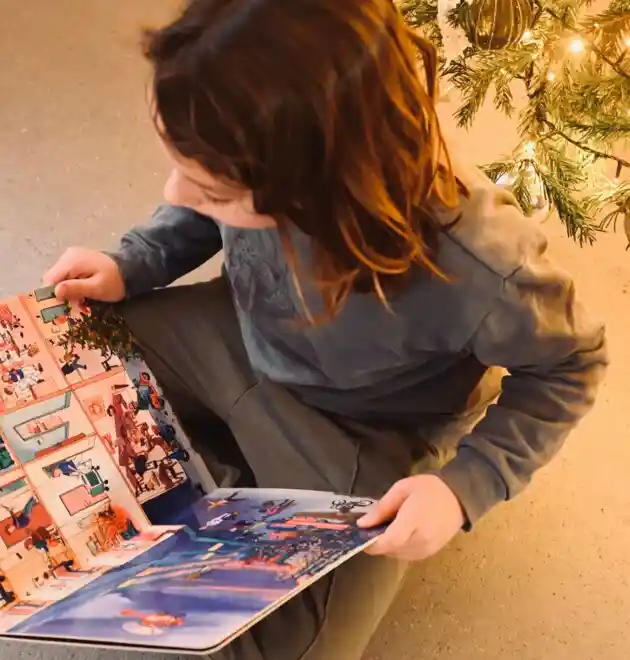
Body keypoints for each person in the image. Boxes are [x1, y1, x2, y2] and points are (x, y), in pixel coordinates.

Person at [42, 1, 607, 657]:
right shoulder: (252, 147)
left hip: (361, 430)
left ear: (316, 182)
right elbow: (194, 209)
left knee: (288, 645)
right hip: (231, 338)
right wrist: (132, 262)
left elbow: (572, 366)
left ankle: (227, 473)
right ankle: (224, 469)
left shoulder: (480, 264)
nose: (174, 192)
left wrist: (464, 488)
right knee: (59, 349)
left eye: (212, 189)